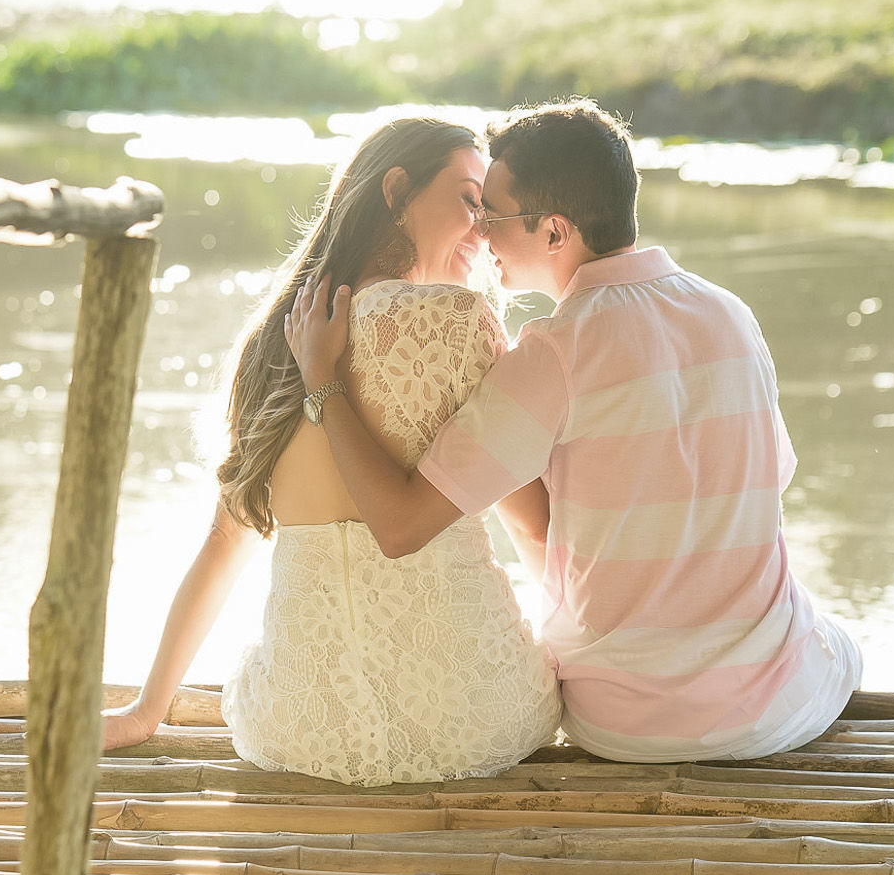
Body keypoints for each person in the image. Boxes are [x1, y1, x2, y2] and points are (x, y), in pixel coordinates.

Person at [286, 99, 861, 764]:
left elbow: (399, 526)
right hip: (775, 708)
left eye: (492, 214)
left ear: (554, 232)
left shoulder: (552, 353)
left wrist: (323, 383)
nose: (480, 234)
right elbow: (766, 489)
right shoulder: (731, 315)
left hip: (630, 724)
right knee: (828, 635)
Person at [102, 118, 562, 786]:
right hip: (474, 717)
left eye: (491, 210)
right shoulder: (460, 323)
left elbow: (225, 543)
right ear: (397, 188)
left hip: (302, 731)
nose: (485, 227)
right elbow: (532, 527)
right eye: (469, 199)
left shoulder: (273, 343)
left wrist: (148, 710)